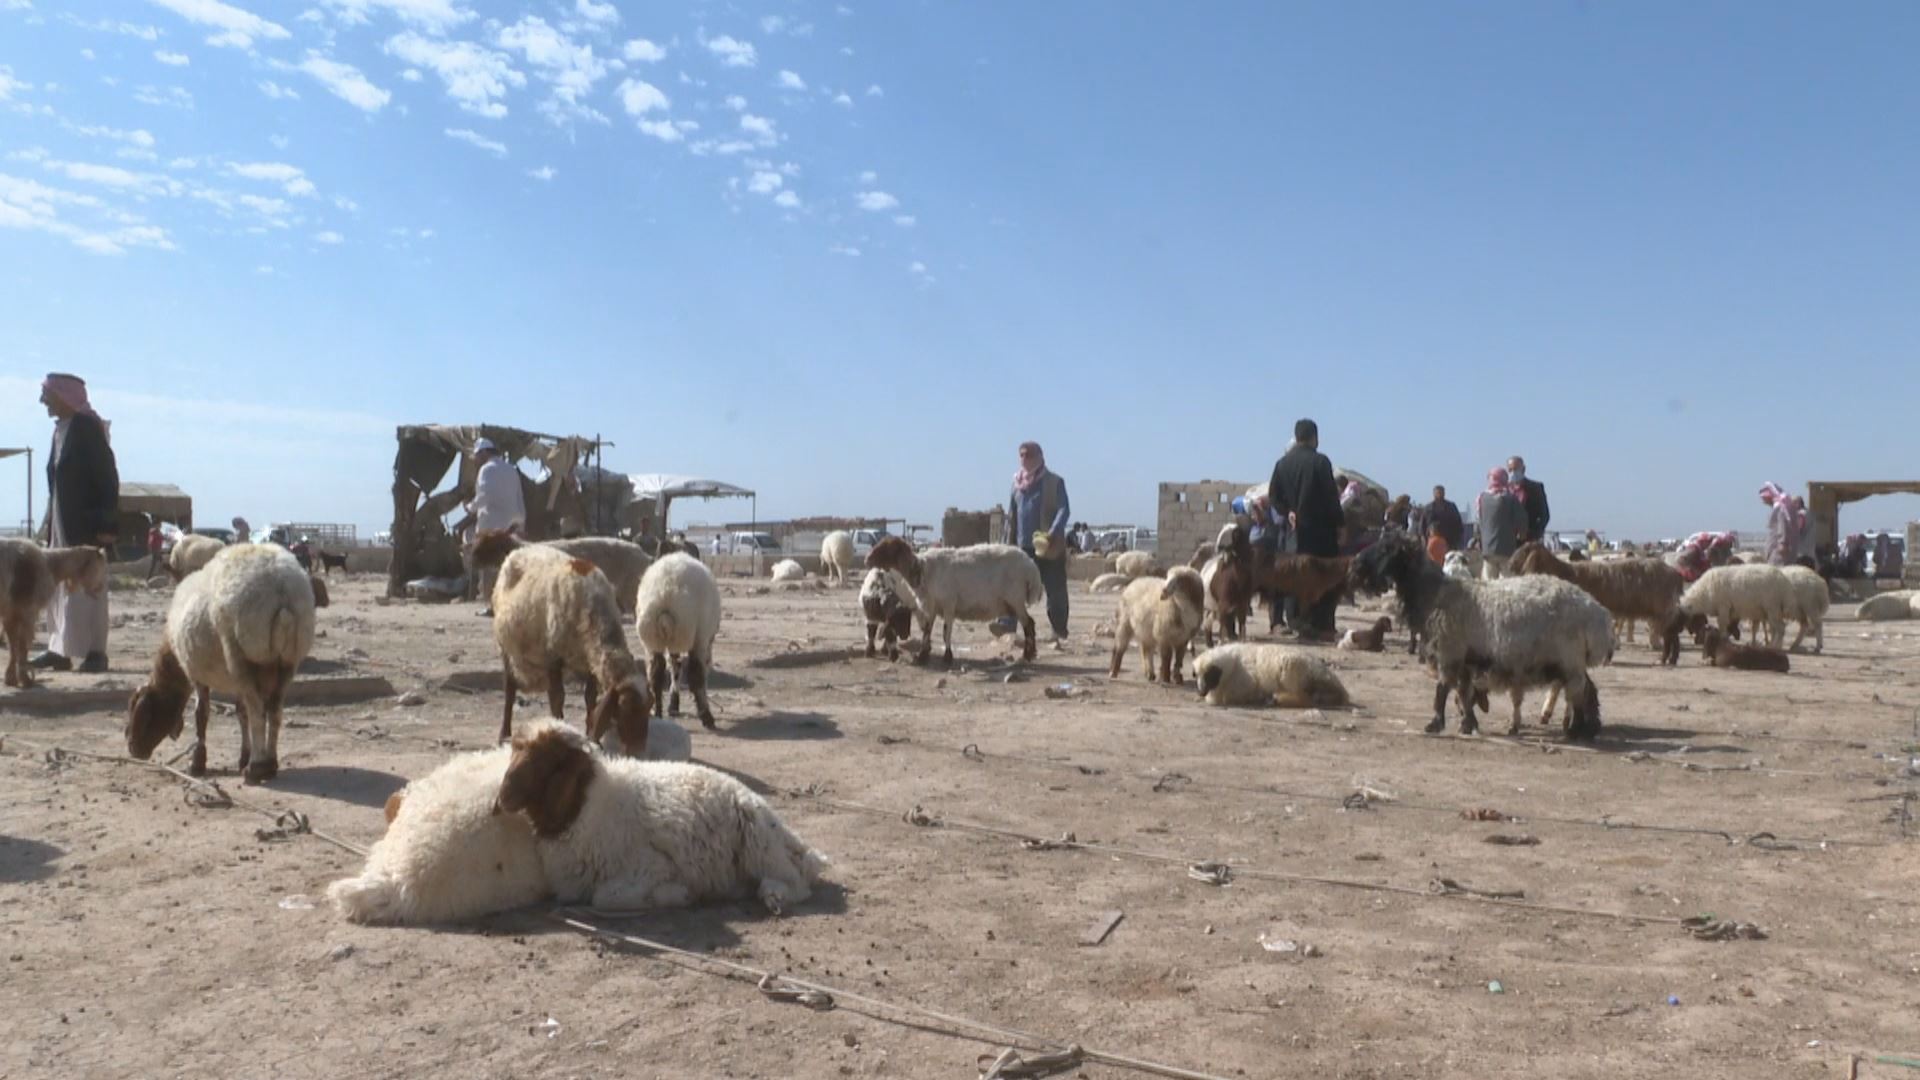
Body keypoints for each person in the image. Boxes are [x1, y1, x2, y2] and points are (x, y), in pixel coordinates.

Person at [32, 373, 118, 674]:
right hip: (61, 525)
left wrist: (106, 524)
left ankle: (96, 652)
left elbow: (107, 477)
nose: (43, 401)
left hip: (86, 526)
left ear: (64, 396)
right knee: (60, 588)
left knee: (89, 588)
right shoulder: (61, 431)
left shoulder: (86, 429)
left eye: (47, 395)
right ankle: (60, 649)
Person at [1268, 418, 1344, 641]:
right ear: (1314, 437)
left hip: (1295, 533)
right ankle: (1322, 625)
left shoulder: (1282, 464)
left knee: (1295, 575)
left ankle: (1295, 620)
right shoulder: (1320, 462)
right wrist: (1340, 524)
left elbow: (1273, 497)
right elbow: (1331, 497)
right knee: (1325, 575)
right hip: (1321, 532)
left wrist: (1287, 511)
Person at [998, 442, 1070, 642]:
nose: (1024, 459)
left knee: (1055, 589)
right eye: (1021, 455)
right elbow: (1011, 516)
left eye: (1028, 455)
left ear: (1039, 456)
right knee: (1012, 586)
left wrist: (1053, 532)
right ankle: (1006, 627)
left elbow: (1064, 509)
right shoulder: (1016, 485)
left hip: (1049, 547)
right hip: (1022, 548)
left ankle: (1059, 630)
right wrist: (1006, 543)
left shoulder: (1054, 482)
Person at [466, 437, 527, 615]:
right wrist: (521, 523)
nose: (476, 460)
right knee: (508, 566)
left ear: (484, 453)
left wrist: (470, 508)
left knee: (488, 567)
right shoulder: (511, 470)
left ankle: (492, 605)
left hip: (490, 525)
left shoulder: (486, 470)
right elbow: (519, 498)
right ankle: (509, 604)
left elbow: (484, 496)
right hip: (510, 527)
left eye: (477, 456)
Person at [1475, 467, 1526, 580]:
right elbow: (1521, 519)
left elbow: (1478, 521)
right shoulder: (1510, 498)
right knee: (1508, 580)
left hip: (1488, 548)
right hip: (1507, 547)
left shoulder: (1481, 498)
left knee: (1488, 581)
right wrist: (1522, 535)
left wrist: (1479, 540)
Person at [1507, 456, 1550, 543]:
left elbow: (1544, 515)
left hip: (1528, 540)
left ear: (1523, 469)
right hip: (1508, 541)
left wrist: (1535, 534)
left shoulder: (1535, 488)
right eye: (1510, 470)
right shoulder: (1504, 490)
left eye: (1516, 469)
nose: (1513, 473)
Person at [1759, 482, 1799, 566]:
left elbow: (1783, 524)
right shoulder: (1784, 506)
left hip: (1778, 552)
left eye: (1764, 498)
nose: (1763, 501)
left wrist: (1783, 543)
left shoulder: (1780, 507)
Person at [1423, 485, 1465, 552]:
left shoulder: (1451, 506)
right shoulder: (1428, 508)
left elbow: (1458, 523)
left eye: (1441, 493)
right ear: (1434, 494)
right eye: (1437, 493)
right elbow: (1423, 525)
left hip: (1449, 540)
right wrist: (1424, 540)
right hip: (1432, 540)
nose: (1439, 495)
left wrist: (1458, 539)